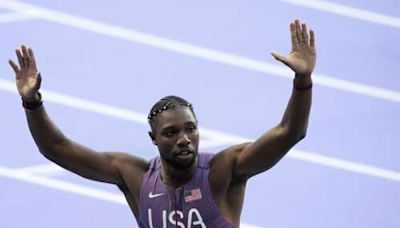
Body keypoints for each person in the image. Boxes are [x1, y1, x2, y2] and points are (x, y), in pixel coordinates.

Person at [8, 19, 316, 227]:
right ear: (153, 139)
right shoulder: (135, 177)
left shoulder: (225, 170)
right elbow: (56, 148)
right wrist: (32, 102)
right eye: (171, 132)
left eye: (190, 129)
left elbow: (290, 132)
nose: (184, 138)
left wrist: (302, 79)